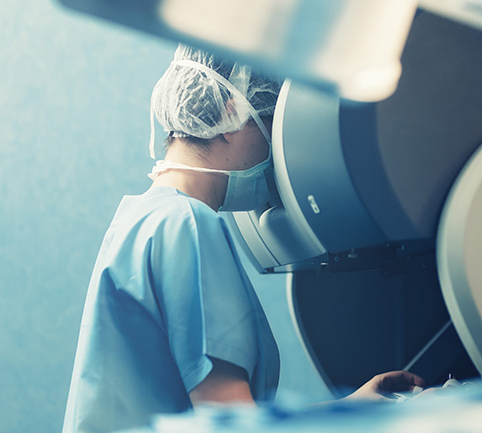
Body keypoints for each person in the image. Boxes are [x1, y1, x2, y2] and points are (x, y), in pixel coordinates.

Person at [62, 44, 425, 433]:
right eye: (269, 125)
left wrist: (352, 408)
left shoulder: (144, 217)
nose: (273, 149)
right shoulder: (189, 224)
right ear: (231, 112)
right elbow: (233, 425)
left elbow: (224, 414)